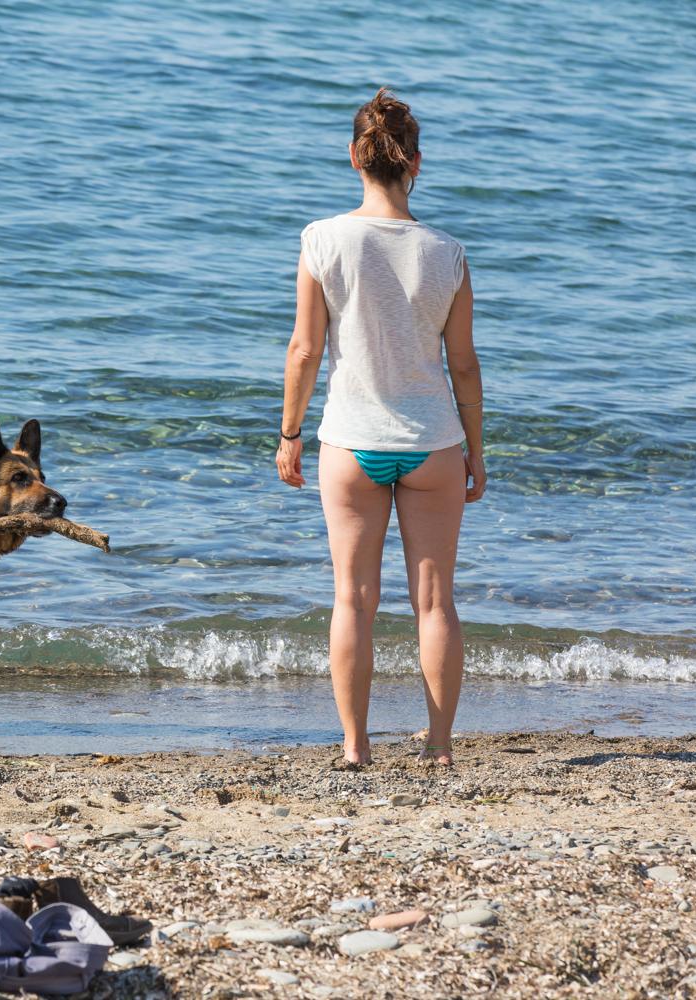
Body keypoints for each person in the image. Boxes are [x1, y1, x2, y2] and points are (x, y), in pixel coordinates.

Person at [276, 88, 485, 768]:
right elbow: (465, 368)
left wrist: (289, 432)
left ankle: (356, 746)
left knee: (353, 600)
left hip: (350, 442)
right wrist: (476, 452)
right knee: (436, 603)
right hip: (433, 445)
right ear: (416, 163)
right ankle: (441, 746)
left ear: (353, 158)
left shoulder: (322, 240)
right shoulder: (448, 253)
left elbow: (305, 350)